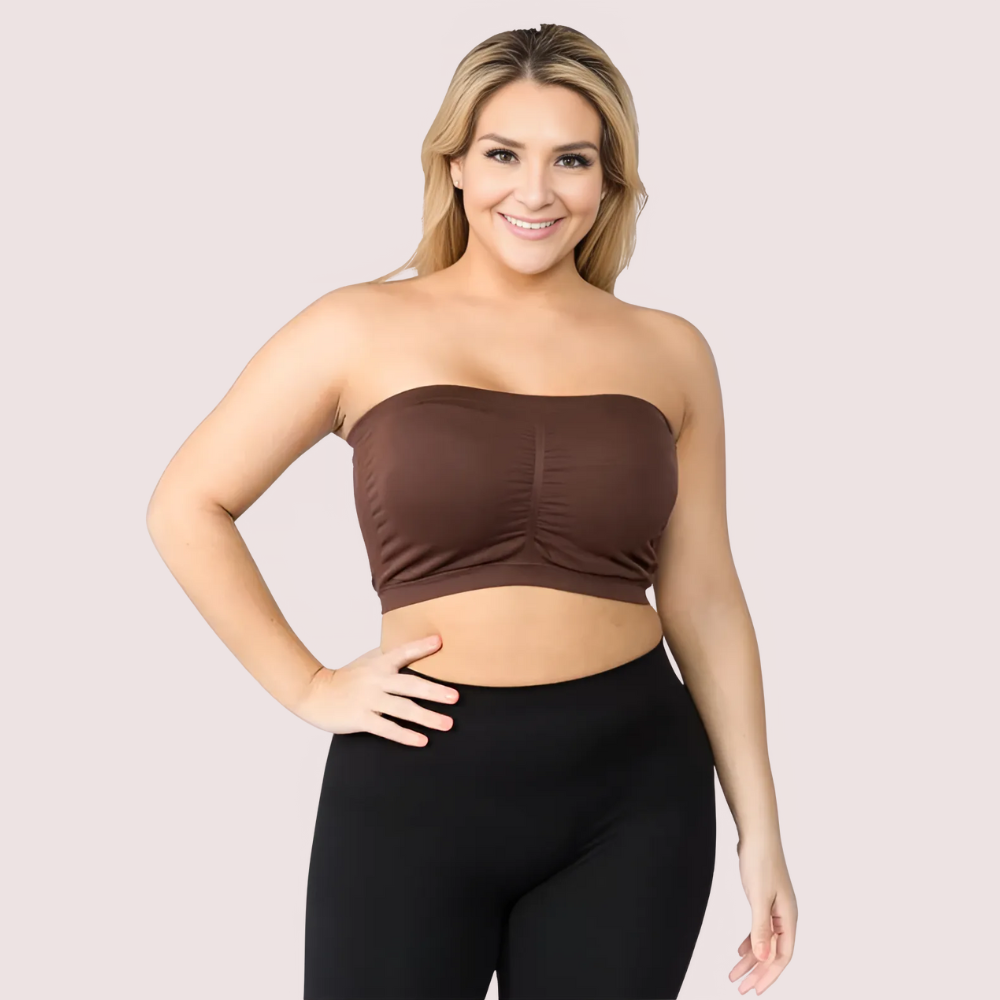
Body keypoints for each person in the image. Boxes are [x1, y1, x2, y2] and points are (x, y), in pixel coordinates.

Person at [146, 22, 797, 1000]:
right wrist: (310, 685)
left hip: (633, 793)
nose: (534, 192)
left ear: (609, 180)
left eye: (570, 159)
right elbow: (187, 504)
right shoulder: (357, 326)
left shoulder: (670, 351)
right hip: (414, 776)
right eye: (502, 155)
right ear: (453, 164)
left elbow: (704, 596)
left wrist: (762, 832)